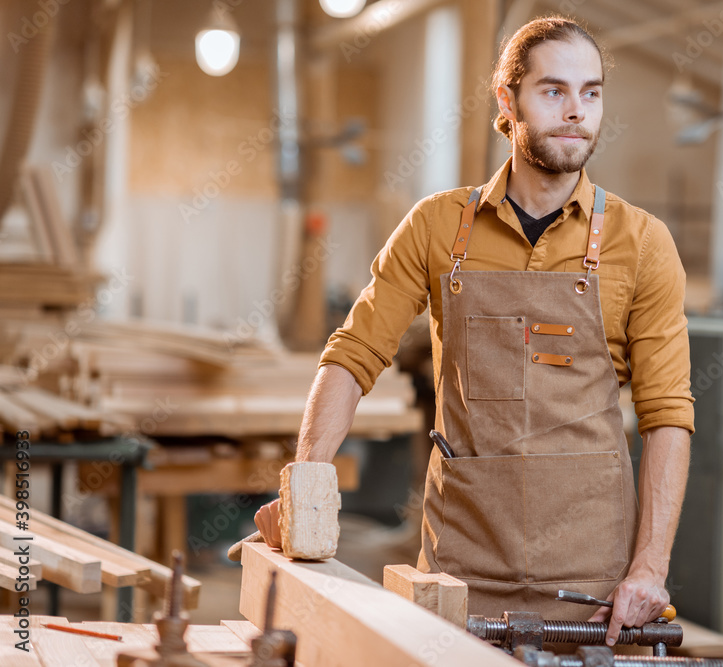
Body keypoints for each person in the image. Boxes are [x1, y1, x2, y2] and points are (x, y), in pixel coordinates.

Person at [255, 16, 693, 647]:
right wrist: (306, 488)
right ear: (506, 101)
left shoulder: (643, 243)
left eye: (591, 93)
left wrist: (649, 568)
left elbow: (667, 415)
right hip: (459, 569)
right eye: (553, 91)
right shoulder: (438, 227)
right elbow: (353, 356)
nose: (576, 111)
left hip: (590, 582)